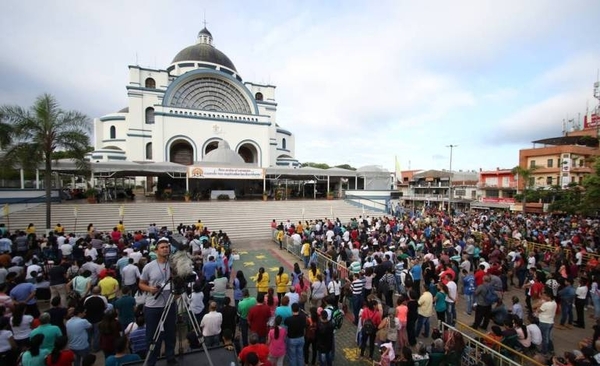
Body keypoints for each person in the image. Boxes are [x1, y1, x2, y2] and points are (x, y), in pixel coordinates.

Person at [138, 237, 177, 366]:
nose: (165, 249)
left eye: (167, 247)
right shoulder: (149, 267)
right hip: (153, 306)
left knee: (170, 334)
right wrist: (150, 289)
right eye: (162, 247)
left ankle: (170, 357)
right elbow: (141, 284)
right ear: (156, 251)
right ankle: (151, 361)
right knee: (153, 336)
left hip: (169, 304)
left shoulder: (173, 265)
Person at [536, 288, 557, 355]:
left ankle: (544, 351)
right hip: (551, 321)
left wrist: (540, 303)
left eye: (545, 296)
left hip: (544, 322)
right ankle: (551, 349)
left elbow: (538, 310)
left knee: (545, 338)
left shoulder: (546, 304)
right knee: (548, 337)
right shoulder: (554, 303)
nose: (543, 297)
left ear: (548, 297)